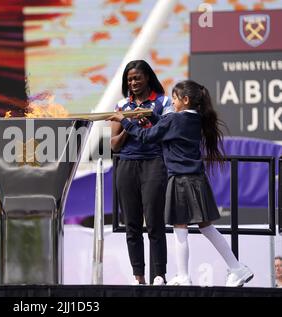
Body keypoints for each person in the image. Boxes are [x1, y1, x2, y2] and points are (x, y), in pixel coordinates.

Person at [107, 79, 254, 287]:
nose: (172, 102)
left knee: (180, 229)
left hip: (181, 180)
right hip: (196, 180)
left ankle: (185, 276)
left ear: (185, 100)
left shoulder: (174, 120)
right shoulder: (194, 119)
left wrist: (125, 120)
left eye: (175, 98)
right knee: (206, 228)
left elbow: (145, 136)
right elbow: (166, 126)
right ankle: (237, 268)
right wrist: (151, 116)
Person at [110, 60, 173, 285]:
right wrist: (129, 123)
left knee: (155, 222)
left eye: (137, 77)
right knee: (132, 225)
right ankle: (139, 277)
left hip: (154, 163)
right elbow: (114, 145)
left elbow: (166, 133)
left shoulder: (163, 102)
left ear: (148, 77)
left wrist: (141, 121)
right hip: (126, 165)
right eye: (129, 79)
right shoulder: (121, 106)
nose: (133, 82)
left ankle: (159, 275)